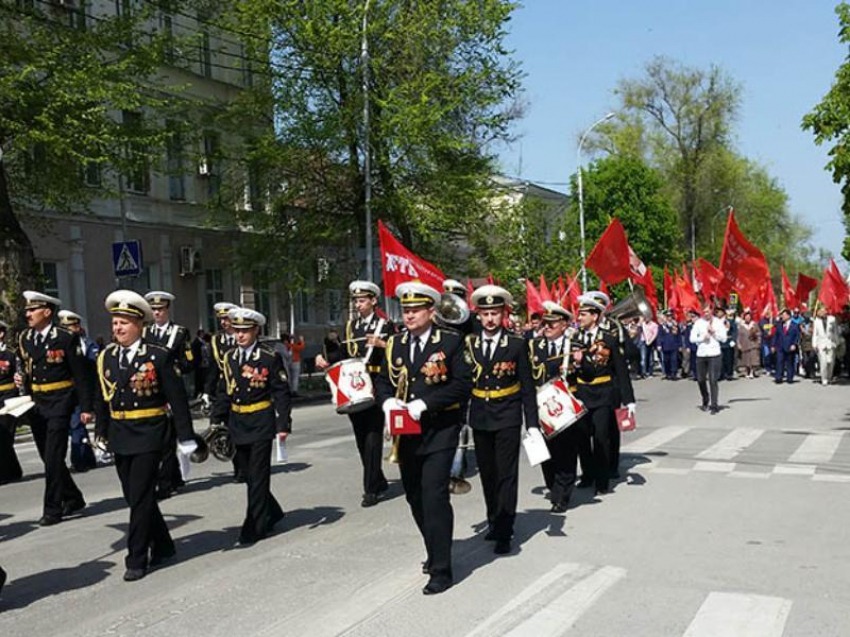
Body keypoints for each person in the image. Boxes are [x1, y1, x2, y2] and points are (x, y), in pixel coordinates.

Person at [375, 282, 472, 595]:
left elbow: (461, 386)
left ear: (432, 311)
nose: (409, 315)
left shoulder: (452, 342)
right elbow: (382, 382)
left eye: (416, 309)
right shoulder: (395, 343)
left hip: (440, 430)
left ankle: (442, 568)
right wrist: (388, 402)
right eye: (405, 310)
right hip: (407, 436)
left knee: (434, 496)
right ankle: (434, 548)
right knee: (414, 497)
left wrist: (424, 404)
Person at [93, 290, 197, 582]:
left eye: (124, 323)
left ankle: (136, 557)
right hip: (120, 434)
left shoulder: (158, 356)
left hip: (151, 434)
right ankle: (163, 544)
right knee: (134, 496)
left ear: (139, 325)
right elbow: (103, 399)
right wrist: (100, 433)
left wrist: (186, 438)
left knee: (139, 496)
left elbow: (177, 400)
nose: (118, 328)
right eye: (115, 323)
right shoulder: (106, 357)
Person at [466, 285, 537, 554]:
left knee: (506, 475)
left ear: (503, 314)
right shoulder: (470, 344)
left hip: (507, 415)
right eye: (485, 313)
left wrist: (532, 424)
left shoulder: (516, 344)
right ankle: (493, 520)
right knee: (488, 473)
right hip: (480, 416)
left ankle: (505, 530)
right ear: (479, 315)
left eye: (495, 313)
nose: (490, 319)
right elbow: (463, 384)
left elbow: (527, 386)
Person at [211, 308, 291, 546]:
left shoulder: (268, 356)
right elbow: (224, 392)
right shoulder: (230, 358)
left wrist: (283, 423)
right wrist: (217, 420)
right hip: (238, 423)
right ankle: (273, 511)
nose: (240, 335)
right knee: (248, 475)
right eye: (237, 330)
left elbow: (281, 392)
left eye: (245, 331)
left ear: (256, 330)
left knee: (258, 476)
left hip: (261, 421)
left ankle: (254, 526)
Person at [16, 291, 94, 526]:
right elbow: (27, 368)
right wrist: (22, 380)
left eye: (32, 310)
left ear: (47, 312)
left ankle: (53, 508)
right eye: (27, 310)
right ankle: (73, 497)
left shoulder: (65, 338)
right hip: (36, 404)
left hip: (61, 401)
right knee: (48, 457)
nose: (27, 314)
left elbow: (81, 376)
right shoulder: (25, 338)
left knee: (53, 457)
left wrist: (86, 407)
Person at [315, 281, 393, 507]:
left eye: (362, 300)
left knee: (372, 437)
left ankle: (370, 490)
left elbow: (398, 352)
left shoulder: (385, 325)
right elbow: (343, 354)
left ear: (373, 301)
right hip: (353, 386)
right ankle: (377, 480)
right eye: (356, 301)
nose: (358, 305)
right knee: (361, 438)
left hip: (376, 384)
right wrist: (325, 360)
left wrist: (381, 343)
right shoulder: (351, 327)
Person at [572, 294, 636, 495]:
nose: (579, 317)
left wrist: (629, 399)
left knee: (601, 436)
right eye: (579, 313)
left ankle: (602, 478)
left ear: (595, 315)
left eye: (583, 314)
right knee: (582, 436)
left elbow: (620, 369)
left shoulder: (609, 338)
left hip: (604, 393)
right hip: (582, 393)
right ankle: (588, 474)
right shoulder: (574, 338)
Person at [529, 300, 583, 510]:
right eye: (546, 323)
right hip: (540, 404)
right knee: (545, 452)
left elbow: (589, 372)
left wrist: (580, 363)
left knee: (566, 451)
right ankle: (553, 486)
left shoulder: (575, 346)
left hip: (564, 405)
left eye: (553, 323)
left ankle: (563, 494)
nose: (547, 327)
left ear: (564, 325)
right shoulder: (534, 345)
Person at [143, 291, 196, 499]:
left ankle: (166, 482)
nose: (157, 313)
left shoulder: (179, 333)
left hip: (172, 388)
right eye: (154, 310)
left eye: (160, 309)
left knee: (170, 435)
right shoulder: (146, 333)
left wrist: (174, 368)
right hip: (153, 389)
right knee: (163, 438)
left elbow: (189, 361)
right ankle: (172, 478)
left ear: (167, 310)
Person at [201, 301, 242, 480]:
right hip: (223, 389)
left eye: (227, 319)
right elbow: (213, 368)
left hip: (242, 391)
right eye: (222, 319)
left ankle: (242, 468)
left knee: (239, 428)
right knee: (218, 427)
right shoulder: (216, 340)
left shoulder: (244, 336)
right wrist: (206, 392)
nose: (224, 323)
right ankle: (230, 457)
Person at [57, 310, 99, 473]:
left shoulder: (86, 345)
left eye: (71, 326)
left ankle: (78, 460)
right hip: (65, 392)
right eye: (65, 327)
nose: (69, 330)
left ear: (78, 327)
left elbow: (93, 368)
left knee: (76, 425)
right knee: (75, 426)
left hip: (83, 391)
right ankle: (88, 457)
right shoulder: (59, 345)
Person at [690, 305, 727, 414]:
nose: (705, 313)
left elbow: (724, 338)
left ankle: (714, 405)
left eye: (707, 311)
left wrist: (714, 332)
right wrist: (702, 338)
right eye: (704, 312)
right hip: (701, 354)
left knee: (713, 379)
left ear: (711, 311)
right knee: (701, 380)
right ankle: (705, 398)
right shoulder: (698, 323)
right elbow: (692, 338)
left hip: (714, 354)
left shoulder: (718, 322)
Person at [0, 320, 23, 485]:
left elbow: (19, 374)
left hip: (8, 396)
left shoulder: (10, 353)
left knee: (6, 435)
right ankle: (13, 470)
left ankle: (6, 472)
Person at [812, 306, 839, 385]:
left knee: (830, 362)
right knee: (823, 362)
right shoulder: (816, 321)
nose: (822, 313)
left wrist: (836, 342)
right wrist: (814, 344)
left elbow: (835, 331)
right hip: (821, 344)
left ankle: (829, 376)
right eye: (821, 311)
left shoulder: (832, 319)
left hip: (831, 343)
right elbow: (815, 334)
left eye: (824, 311)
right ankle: (824, 378)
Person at [773, 308, 800, 384]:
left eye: (784, 315)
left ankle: (789, 377)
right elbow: (776, 335)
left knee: (790, 363)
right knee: (779, 362)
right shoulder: (779, 325)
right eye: (782, 315)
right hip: (780, 346)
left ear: (788, 316)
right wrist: (773, 345)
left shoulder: (794, 325)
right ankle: (779, 377)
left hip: (790, 346)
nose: (782, 317)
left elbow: (797, 336)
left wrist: (794, 344)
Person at [736, 310, 761, 378]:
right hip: (745, 344)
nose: (747, 318)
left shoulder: (754, 324)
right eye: (746, 317)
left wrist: (757, 340)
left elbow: (759, 333)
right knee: (746, 359)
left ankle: (752, 372)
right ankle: (748, 371)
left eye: (749, 317)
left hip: (753, 344)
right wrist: (738, 344)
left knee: (753, 359)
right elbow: (739, 336)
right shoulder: (741, 326)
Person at [659, 312, 683, 380]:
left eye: (670, 316)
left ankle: (673, 374)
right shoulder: (662, 326)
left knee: (674, 360)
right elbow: (659, 336)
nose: (669, 318)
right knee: (666, 361)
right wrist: (659, 344)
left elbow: (679, 336)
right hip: (665, 345)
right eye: (668, 316)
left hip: (674, 345)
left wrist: (680, 345)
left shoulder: (675, 325)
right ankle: (668, 373)